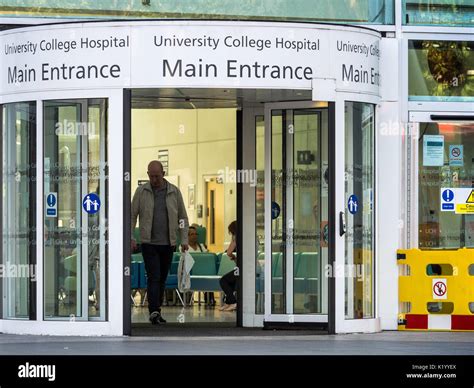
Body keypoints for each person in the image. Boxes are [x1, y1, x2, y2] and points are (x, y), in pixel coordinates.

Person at [131, 160, 189, 324]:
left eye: (157, 176)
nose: (154, 179)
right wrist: (131, 237)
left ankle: (157, 310)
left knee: (162, 277)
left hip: (168, 243)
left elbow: (182, 218)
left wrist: (184, 239)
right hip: (148, 242)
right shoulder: (141, 192)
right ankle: (154, 310)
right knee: (154, 276)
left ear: (163, 174)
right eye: (151, 176)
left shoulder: (174, 192)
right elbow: (132, 215)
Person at [219, 220, 238, 312]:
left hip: (242, 269)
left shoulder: (236, 238)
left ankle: (233, 302)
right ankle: (228, 302)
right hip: (253, 267)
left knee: (223, 280)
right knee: (232, 281)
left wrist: (233, 256)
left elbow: (229, 252)